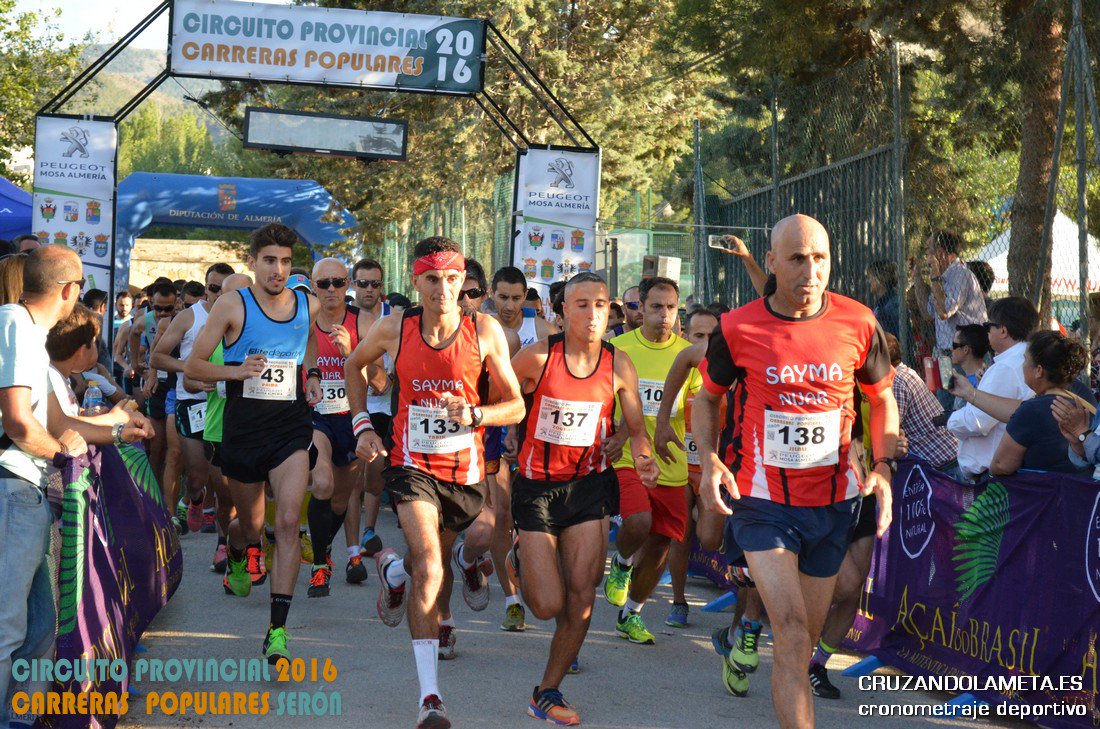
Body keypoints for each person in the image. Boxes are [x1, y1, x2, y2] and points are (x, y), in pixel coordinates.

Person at [694, 214, 898, 726]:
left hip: (832, 502)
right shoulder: (737, 326)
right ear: (770, 263)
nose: (811, 271)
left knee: (802, 639)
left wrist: (883, 465)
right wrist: (709, 458)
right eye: (797, 259)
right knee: (786, 628)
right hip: (763, 501)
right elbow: (708, 399)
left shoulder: (858, 321)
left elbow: (882, 399)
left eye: (821, 258)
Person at [346, 237, 524, 729]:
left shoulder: (483, 330)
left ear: (462, 280)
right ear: (416, 282)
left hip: (464, 473)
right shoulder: (394, 328)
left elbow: (516, 405)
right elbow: (352, 365)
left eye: (452, 279)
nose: (444, 289)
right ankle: (430, 698)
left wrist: (475, 413)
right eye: (433, 279)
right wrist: (362, 423)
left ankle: (393, 576)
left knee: (432, 563)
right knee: (430, 563)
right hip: (409, 464)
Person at [507, 272, 658, 725]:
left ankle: (548, 691)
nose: (593, 315)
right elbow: (497, 400)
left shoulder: (619, 363)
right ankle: (520, 557)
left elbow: (635, 428)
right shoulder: (536, 357)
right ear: (561, 311)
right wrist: (504, 440)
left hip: (590, 487)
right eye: (582, 305)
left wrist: (640, 453)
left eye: (601, 305)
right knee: (546, 605)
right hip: (536, 488)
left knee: (582, 597)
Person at [184, 223, 322, 663]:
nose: (278, 270)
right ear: (254, 262)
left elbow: (310, 338)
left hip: (290, 429)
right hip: (242, 433)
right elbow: (192, 370)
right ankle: (240, 553)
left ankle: (277, 631)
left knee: (285, 524)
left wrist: (313, 375)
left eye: (285, 261)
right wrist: (236, 371)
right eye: (269, 261)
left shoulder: (307, 303)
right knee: (250, 523)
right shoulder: (232, 305)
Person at [0, 245, 87, 727]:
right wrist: (60, 455)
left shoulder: (28, 332)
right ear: (69, 290)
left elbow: (52, 419)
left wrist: (109, 428)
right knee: (8, 627)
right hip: (12, 487)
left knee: (40, 629)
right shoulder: (14, 323)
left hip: (26, 490)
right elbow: (17, 421)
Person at [602, 276, 692, 646]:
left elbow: (698, 406)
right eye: (656, 306)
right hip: (626, 457)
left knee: (661, 543)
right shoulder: (616, 348)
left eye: (671, 307)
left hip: (671, 461)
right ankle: (622, 563)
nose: (665, 315)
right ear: (639, 308)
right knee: (638, 521)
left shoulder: (687, 354)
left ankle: (632, 614)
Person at [304, 257, 376, 596]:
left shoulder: (363, 322)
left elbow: (381, 382)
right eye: (323, 284)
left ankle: (324, 548)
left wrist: (355, 353)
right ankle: (320, 564)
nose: (331, 289)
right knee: (321, 483)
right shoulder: (302, 321)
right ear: (313, 287)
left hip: (351, 418)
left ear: (347, 285)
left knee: (340, 500)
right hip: (316, 418)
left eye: (337, 282)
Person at [651, 306, 724, 629]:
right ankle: (679, 602)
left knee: (709, 539)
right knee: (679, 537)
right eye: (699, 336)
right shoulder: (678, 368)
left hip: (712, 469)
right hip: (681, 464)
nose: (706, 343)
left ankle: (700, 514)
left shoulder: (728, 374)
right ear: (686, 336)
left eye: (713, 337)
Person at [152, 263, 233, 534]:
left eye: (225, 290)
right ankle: (194, 498)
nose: (218, 295)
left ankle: (225, 543)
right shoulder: (189, 317)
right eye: (213, 288)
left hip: (225, 404)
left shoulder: (240, 318)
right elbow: (158, 356)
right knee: (197, 475)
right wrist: (189, 367)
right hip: (193, 401)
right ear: (205, 289)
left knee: (224, 481)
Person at [949, 331, 1090, 476]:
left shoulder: (1031, 411)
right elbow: (1015, 409)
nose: (1022, 366)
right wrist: (970, 392)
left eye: (1025, 360)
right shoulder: (1082, 398)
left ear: (1038, 371)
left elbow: (1001, 465)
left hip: (1039, 493)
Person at [188, 272, 252, 575]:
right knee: (226, 497)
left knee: (256, 496)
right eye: (230, 296)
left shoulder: (265, 337)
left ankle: (253, 546)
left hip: (257, 430)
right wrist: (204, 382)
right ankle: (226, 542)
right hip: (218, 429)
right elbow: (189, 377)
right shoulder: (211, 336)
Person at [946, 297, 1038, 481]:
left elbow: (977, 421)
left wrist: (951, 420)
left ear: (1003, 331)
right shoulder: (1028, 356)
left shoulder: (1006, 367)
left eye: (989, 326)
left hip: (991, 475)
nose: (986, 332)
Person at [130, 280, 179, 506]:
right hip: (158, 386)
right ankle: (153, 498)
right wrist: (135, 365)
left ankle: (171, 501)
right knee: (156, 447)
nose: (161, 313)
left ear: (176, 303)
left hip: (177, 384)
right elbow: (133, 333)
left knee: (175, 452)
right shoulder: (146, 320)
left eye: (167, 308)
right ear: (151, 303)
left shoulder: (182, 318)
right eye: (157, 307)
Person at [884, 333, 958, 471]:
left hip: (941, 464)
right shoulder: (905, 372)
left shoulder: (896, 383)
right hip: (946, 455)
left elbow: (889, 431)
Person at [493, 266, 556, 345]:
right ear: (492, 294)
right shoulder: (481, 328)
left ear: (525, 295)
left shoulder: (544, 331)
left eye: (516, 298)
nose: (509, 307)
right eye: (503, 297)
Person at [867, 260, 899, 339]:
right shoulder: (882, 302)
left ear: (879, 279)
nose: (869, 281)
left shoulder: (893, 304)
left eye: (871, 277)